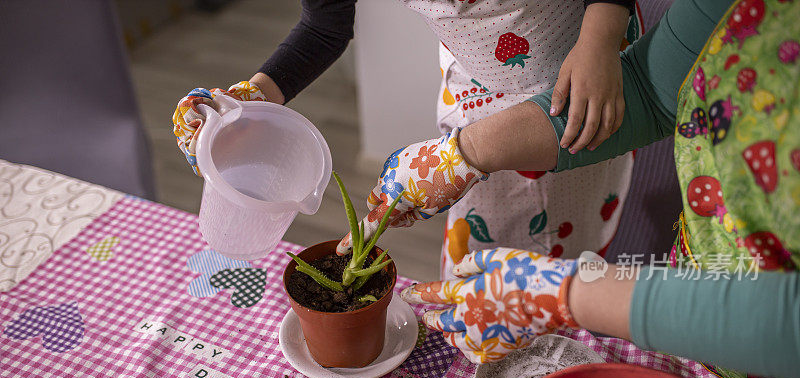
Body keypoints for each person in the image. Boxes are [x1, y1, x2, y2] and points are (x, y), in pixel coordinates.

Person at [387, 0, 800, 378]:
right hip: (700, 336)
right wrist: (462, 155)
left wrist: (563, 292)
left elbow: (786, 321)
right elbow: (650, 91)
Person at [173, 0, 646, 280]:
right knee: (478, 253)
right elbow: (323, 27)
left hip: (578, 76)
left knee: (548, 262)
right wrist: (251, 98)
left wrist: (600, 40)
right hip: (475, 82)